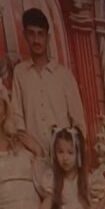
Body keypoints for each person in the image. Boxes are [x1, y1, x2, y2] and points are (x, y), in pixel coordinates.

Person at [11, 8, 86, 156]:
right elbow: (17, 117)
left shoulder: (64, 75)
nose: (36, 40)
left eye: (40, 34)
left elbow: (78, 123)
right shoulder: (20, 73)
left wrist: (69, 155)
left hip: (62, 160)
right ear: (25, 35)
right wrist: (32, 151)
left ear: (48, 37)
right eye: (31, 33)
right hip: (33, 157)